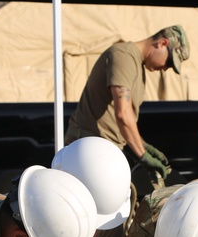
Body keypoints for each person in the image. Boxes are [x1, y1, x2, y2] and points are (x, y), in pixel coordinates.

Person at [65, 25, 189, 192]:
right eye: (169, 61)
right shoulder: (124, 56)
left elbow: (124, 116)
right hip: (89, 150)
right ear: (162, 43)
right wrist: (142, 155)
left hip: (103, 150)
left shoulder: (137, 64)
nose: (166, 68)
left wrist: (144, 146)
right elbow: (123, 113)